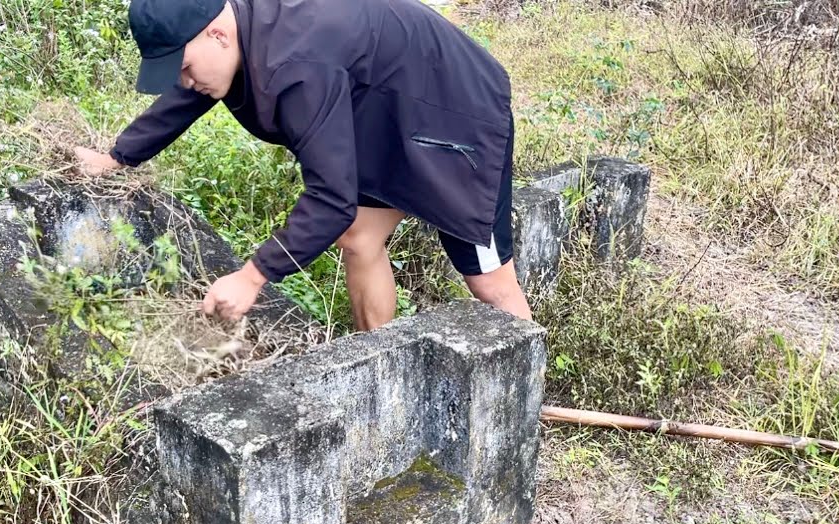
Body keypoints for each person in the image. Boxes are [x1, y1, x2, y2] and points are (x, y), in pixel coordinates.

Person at [74, 0, 532, 331]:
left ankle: (523, 388)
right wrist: (118, 157)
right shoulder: (235, 28)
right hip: (382, 105)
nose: (185, 81)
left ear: (216, 33)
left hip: (454, 108)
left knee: (488, 280)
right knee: (359, 240)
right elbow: (186, 96)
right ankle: (381, 364)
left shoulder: (296, 67)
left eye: (186, 67)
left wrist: (252, 277)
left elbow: (331, 199)